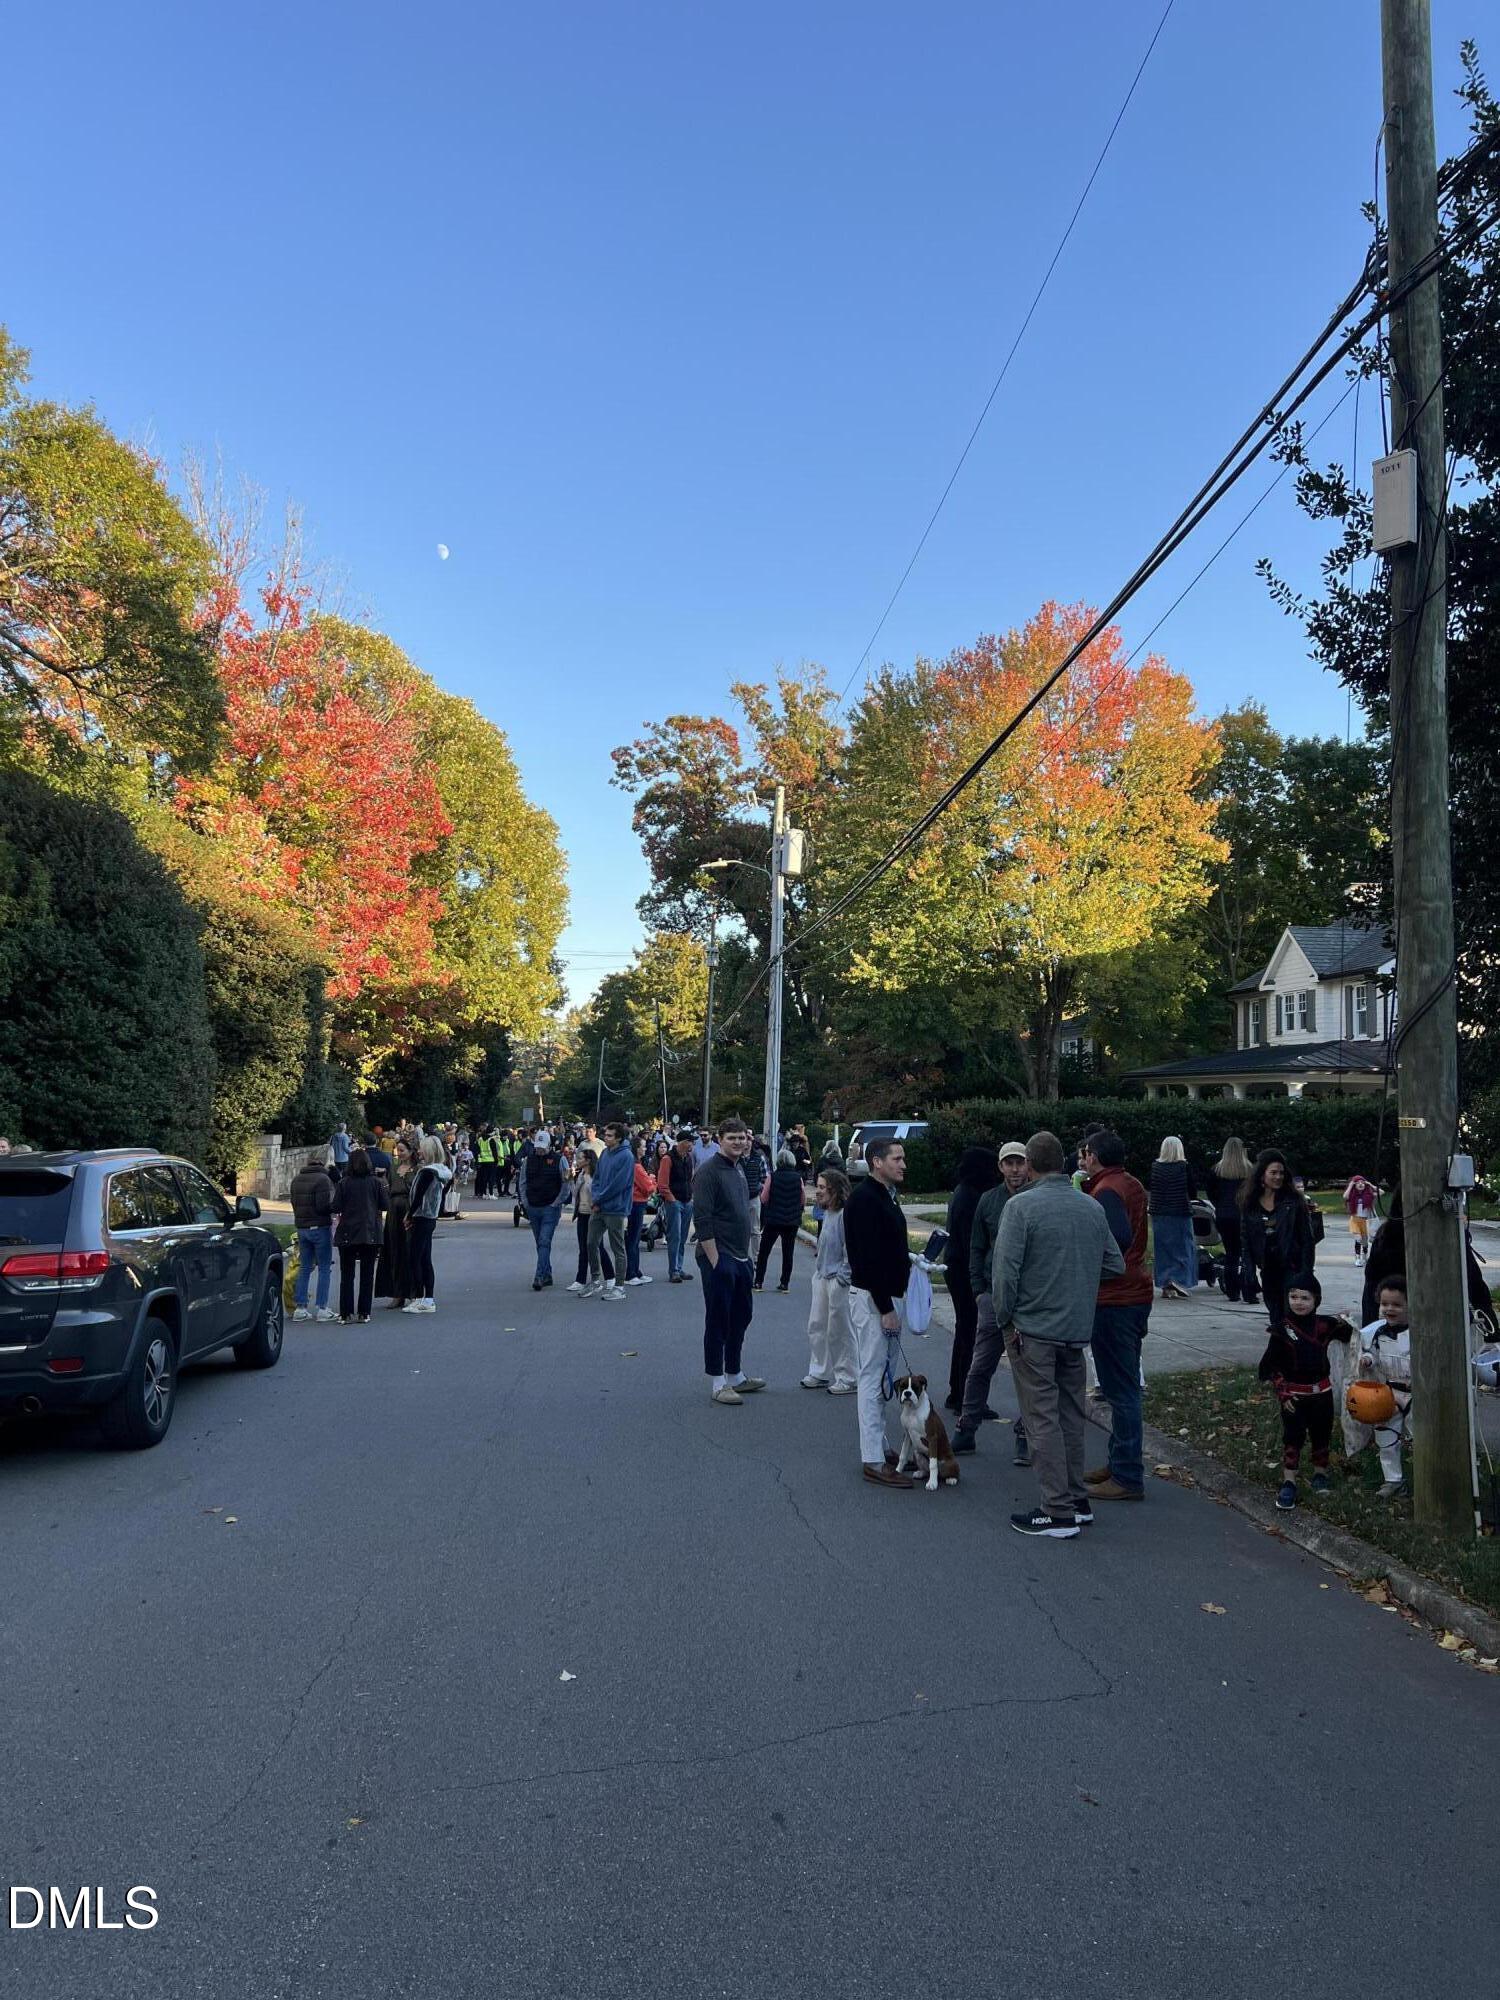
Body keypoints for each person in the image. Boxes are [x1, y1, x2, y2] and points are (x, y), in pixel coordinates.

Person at [993, 1131, 1125, 1539]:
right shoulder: (1090, 1207)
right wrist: (1077, 1279)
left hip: (1033, 1329)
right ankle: (1076, 1499)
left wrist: (1005, 1320)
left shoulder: (1020, 1208)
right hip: (1075, 1328)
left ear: (1029, 1165)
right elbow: (1114, 1264)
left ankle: (1057, 1510)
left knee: (1041, 1418)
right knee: (1071, 1414)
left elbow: (1005, 1275)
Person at [1081, 1130, 1152, 1502]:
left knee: (1120, 1390)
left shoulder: (1107, 1190)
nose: (1081, 1160)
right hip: (1132, 1293)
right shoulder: (1128, 1183)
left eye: (1084, 1153)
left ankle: (1126, 1475)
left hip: (1115, 1298)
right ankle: (1119, 1461)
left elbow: (1118, 1238)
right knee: (1119, 1387)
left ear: (1093, 1155)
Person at [845, 1138, 917, 1488]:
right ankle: (872, 1457)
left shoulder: (885, 1195)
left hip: (889, 1296)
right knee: (872, 1378)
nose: (904, 1164)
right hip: (876, 1301)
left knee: (883, 1377)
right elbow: (867, 1259)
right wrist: (886, 1307)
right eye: (897, 1158)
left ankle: (881, 1444)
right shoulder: (864, 1200)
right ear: (876, 1162)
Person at [952, 1141, 1031, 1459]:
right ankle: (966, 1427)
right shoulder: (989, 1200)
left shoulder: (1033, 1200)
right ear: (1000, 1167)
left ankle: (1026, 1434)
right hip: (992, 1295)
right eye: (1008, 1163)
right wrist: (979, 1290)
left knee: (1027, 1371)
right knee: (980, 1365)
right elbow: (977, 1247)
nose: (1014, 1169)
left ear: (1028, 1166)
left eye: (1019, 1163)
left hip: (1027, 1301)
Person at [1258, 1272, 1354, 1511]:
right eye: (1293, 1297)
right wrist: (1283, 1393)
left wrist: (1347, 1321)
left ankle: (1320, 1474)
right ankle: (1289, 1481)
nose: (1299, 1302)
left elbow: (1350, 1336)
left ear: (1316, 1300)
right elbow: (1273, 1366)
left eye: (1305, 1298)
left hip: (1322, 1393)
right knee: (1293, 1437)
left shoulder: (1325, 1326)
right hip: (1295, 1396)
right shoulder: (1281, 1330)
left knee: (1321, 1434)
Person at [693, 1118, 762, 1404]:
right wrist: (715, 1260)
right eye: (731, 1138)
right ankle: (718, 1382)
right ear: (720, 1139)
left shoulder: (739, 1169)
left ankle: (735, 1375)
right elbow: (703, 1219)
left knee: (741, 1316)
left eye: (742, 1138)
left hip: (741, 1255)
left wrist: (747, 1257)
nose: (738, 1142)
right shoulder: (708, 1172)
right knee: (719, 1319)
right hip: (718, 1256)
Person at [942, 1146, 1000, 1414]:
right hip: (965, 1271)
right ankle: (965, 1395)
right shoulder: (972, 1197)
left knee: (965, 1331)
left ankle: (958, 1391)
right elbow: (973, 1243)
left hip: (955, 1267)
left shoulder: (963, 1192)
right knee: (970, 1332)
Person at [1353, 1274, 1414, 1497]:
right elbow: (1370, 1352)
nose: (1390, 1309)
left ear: (1411, 1304)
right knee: (1385, 1436)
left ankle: (1431, 1479)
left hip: (1418, 1395)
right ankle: (1393, 1480)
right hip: (1389, 1393)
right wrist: (1367, 1359)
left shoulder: (1418, 1332)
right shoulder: (1376, 1332)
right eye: (1385, 1304)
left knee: (1423, 1437)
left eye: (1397, 1304)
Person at [1240, 1149, 1315, 1327]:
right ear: (1262, 1175)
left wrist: (1306, 1271)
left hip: (1292, 1266)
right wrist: (1249, 1271)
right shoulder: (1250, 1204)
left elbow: (1307, 1239)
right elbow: (1246, 1240)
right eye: (1273, 1173)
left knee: (1293, 1315)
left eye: (1281, 1173)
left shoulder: (1294, 1202)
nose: (1278, 1177)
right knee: (1275, 1314)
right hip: (1268, 1267)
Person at [802, 1166, 855, 1393]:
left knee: (839, 1330)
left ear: (835, 1190)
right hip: (822, 1276)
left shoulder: (845, 1215)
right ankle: (819, 1371)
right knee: (817, 1325)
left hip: (837, 1280)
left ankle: (848, 1376)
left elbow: (851, 1249)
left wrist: (843, 1277)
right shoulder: (829, 1213)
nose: (818, 1191)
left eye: (823, 1187)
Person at [331, 1147, 387, 1324]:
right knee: (367, 1274)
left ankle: (346, 1313)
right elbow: (385, 1205)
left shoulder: (344, 1183)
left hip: (348, 1231)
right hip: (369, 1231)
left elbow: (336, 1206)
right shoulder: (376, 1183)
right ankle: (364, 1312)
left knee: (347, 1275)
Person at [1205, 1136, 1257, 1305]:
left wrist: (1219, 1206)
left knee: (1231, 1254)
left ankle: (1232, 1291)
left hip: (1224, 1215)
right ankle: (1249, 1290)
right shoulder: (1249, 1170)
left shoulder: (1217, 1170)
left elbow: (1210, 1192)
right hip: (1243, 1215)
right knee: (1246, 1254)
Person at [403, 1136, 451, 1312]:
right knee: (425, 1257)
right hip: (430, 1217)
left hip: (421, 1216)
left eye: (422, 1149)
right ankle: (427, 1297)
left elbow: (418, 1197)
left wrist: (409, 1215)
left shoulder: (427, 1172)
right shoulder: (441, 1172)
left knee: (416, 1257)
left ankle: (419, 1297)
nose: (419, 1151)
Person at [586, 1123, 633, 1301]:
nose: (606, 1137)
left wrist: (599, 1199)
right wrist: (596, 1197)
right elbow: (597, 1178)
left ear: (619, 1138)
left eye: (610, 1135)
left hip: (616, 1208)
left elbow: (618, 1185)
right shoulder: (605, 1153)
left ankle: (619, 1286)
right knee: (591, 1242)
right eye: (605, 1134)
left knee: (617, 1248)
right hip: (600, 1206)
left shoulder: (626, 1156)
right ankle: (596, 1280)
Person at [519, 1131, 570, 1292]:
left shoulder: (559, 1160)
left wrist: (557, 1203)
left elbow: (566, 1183)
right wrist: (525, 1202)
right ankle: (547, 1273)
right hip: (533, 1207)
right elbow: (523, 1182)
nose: (539, 1151)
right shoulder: (529, 1160)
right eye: (537, 1148)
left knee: (544, 1241)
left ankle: (539, 1276)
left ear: (549, 1146)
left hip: (550, 1207)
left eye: (542, 1148)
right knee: (540, 1243)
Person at [1148, 1136, 1198, 1298]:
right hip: (1180, 1211)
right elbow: (1192, 1191)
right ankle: (1179, 1279)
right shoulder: (1184, 1166)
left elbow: (1152, 1187)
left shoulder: (1155, 1167)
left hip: (1159, 1213)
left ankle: (1165, 1282)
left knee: (1163, 1250)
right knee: (1183, 1248)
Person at [290, 1155, 336, 1323]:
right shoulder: (323, 1179)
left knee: (304, 1267)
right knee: (324, 1268)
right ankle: (322, 1308)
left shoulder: (296, 1179)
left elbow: (294, 1203)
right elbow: (323, 1206)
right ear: (322, 1164)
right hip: (320, 1227)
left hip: (302, 1228)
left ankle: (300, 1307)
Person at [755, 1148, 805, 1291]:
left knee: (764, 1251)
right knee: (788, 1253)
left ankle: (758, 1281)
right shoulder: (798, 1178)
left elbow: (764, 1198)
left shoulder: (773, 1176)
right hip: (791, 1221)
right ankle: (784, 1283)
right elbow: (802, 1199)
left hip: (773, 1219)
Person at [376, 1136, 415, 1308]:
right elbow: (389, 1186)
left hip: (408, 1209)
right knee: (394, 1251)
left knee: (409, 1251)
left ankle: (413, 1292)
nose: (398, 1153)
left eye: (402, 1150)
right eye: (397, 1150)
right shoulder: (393, 1167)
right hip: (394, 1210)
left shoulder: (417, 1169)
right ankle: (397, 1293)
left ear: (411, 1151)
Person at [569, 1146, 614, 1292]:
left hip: (594, 1214)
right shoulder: (580, 1174)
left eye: (580, 1158)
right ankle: (580, 1280)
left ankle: (610, 1277)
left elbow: (600, 1194)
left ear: (588, 1161)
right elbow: (575, 1193)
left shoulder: (595, 1176)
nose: (577, 1160)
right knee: (583, 1248)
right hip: (582, 1213)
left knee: (597, 1246)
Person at [657, 1129, 696, 1284]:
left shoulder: (688, 1157)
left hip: (686, 1200)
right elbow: (662, 1184)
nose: (692, 1144)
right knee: (675, 1236)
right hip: (675, 1201)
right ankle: (674, 1270)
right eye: (690, 1141)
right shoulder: (668, 1159)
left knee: (683, 1236)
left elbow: (691, 1178)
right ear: (683, 1143)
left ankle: (678, 1268)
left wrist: (691, 1197)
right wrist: (671, 1200)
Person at [1343, 1171, 1379, 1265]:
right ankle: (1357, 1258)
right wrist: (1351, 1185)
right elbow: (1345, 1196)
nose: (1360, 1184)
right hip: (1355, 1219)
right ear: (1355, 1185)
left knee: (1365, 1242)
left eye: (1362, 1183)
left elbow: (1381, 1192)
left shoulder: (1369, 1195)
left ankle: (1365, 1256)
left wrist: (1370, 1184)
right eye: (1358, 1183)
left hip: (1365, 1221)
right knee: (1358, 1239)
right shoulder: (1352, 1195)